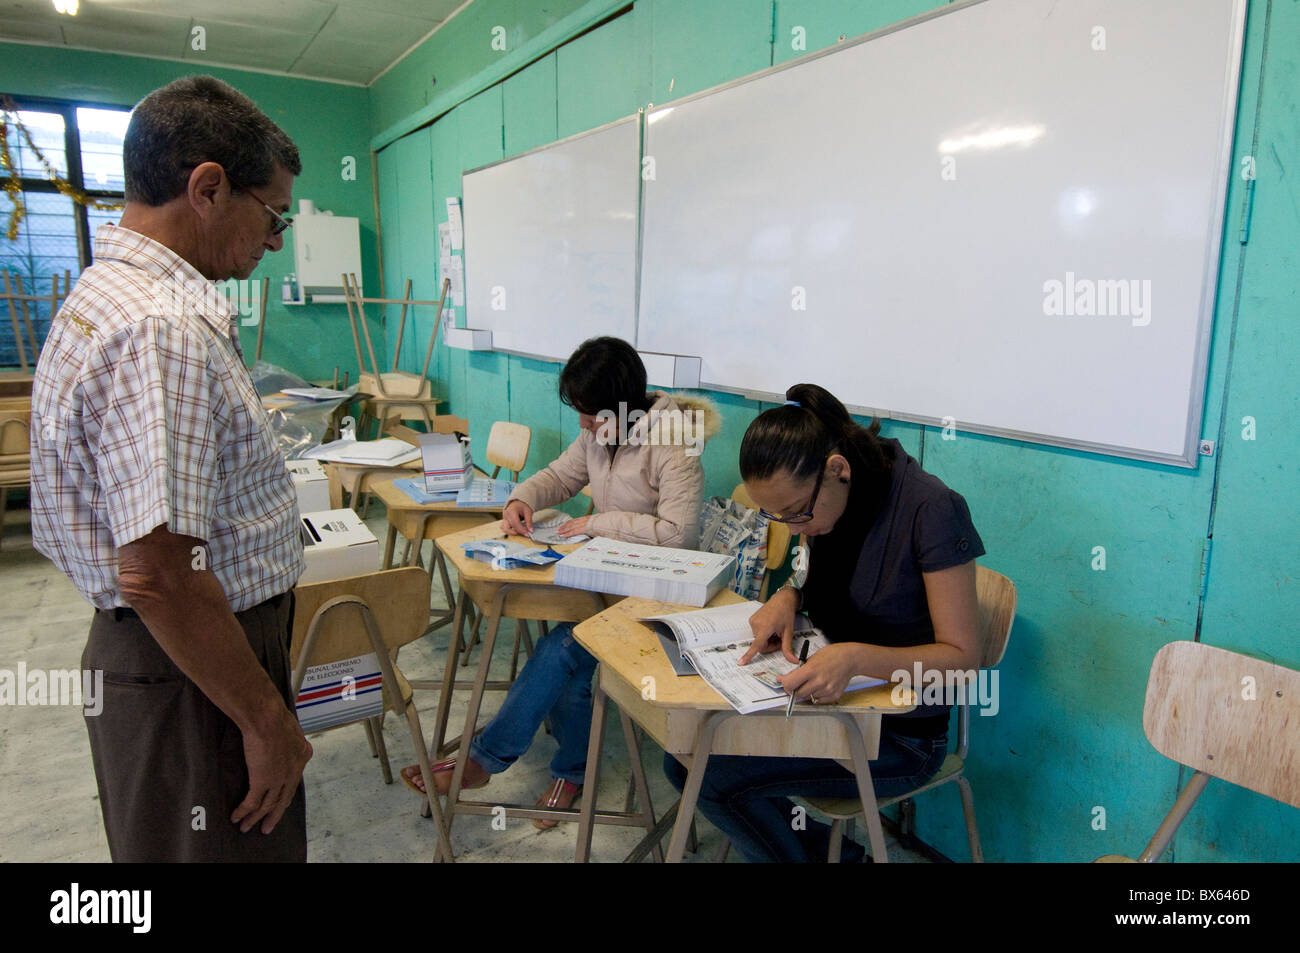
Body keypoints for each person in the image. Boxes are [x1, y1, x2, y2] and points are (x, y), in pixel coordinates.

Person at [29, 76, 312, 862]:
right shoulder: (160, 330)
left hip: (174, 654)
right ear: (209, 188)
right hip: (195, 664)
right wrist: (263, 719)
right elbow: (159, 571)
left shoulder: (105, 293)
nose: (278, 239)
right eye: (274, 212)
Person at [401, 336, 717, 826]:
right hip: (605, 583)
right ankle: (571, 771)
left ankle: (487, 762)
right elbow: (559, 476)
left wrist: (597, 524)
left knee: (561, 653)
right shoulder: (599, 433)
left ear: (624, 405)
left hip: (655, 597)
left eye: (591, 414)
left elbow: (678, 537)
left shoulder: (674, 441)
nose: (584, 425)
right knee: (570, 666)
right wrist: (520, 499)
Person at [665, 383, 985, 862]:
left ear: (838, 469)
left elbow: (963, 665)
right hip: (840, 710)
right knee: (682, 759)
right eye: (780, 517)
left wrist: (856, 657)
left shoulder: (931, 510)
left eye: (797, 513)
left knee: (712, 779)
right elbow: (824, 585)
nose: (794, 529)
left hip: (902, 735)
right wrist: (788, 597)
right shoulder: (832, 501)